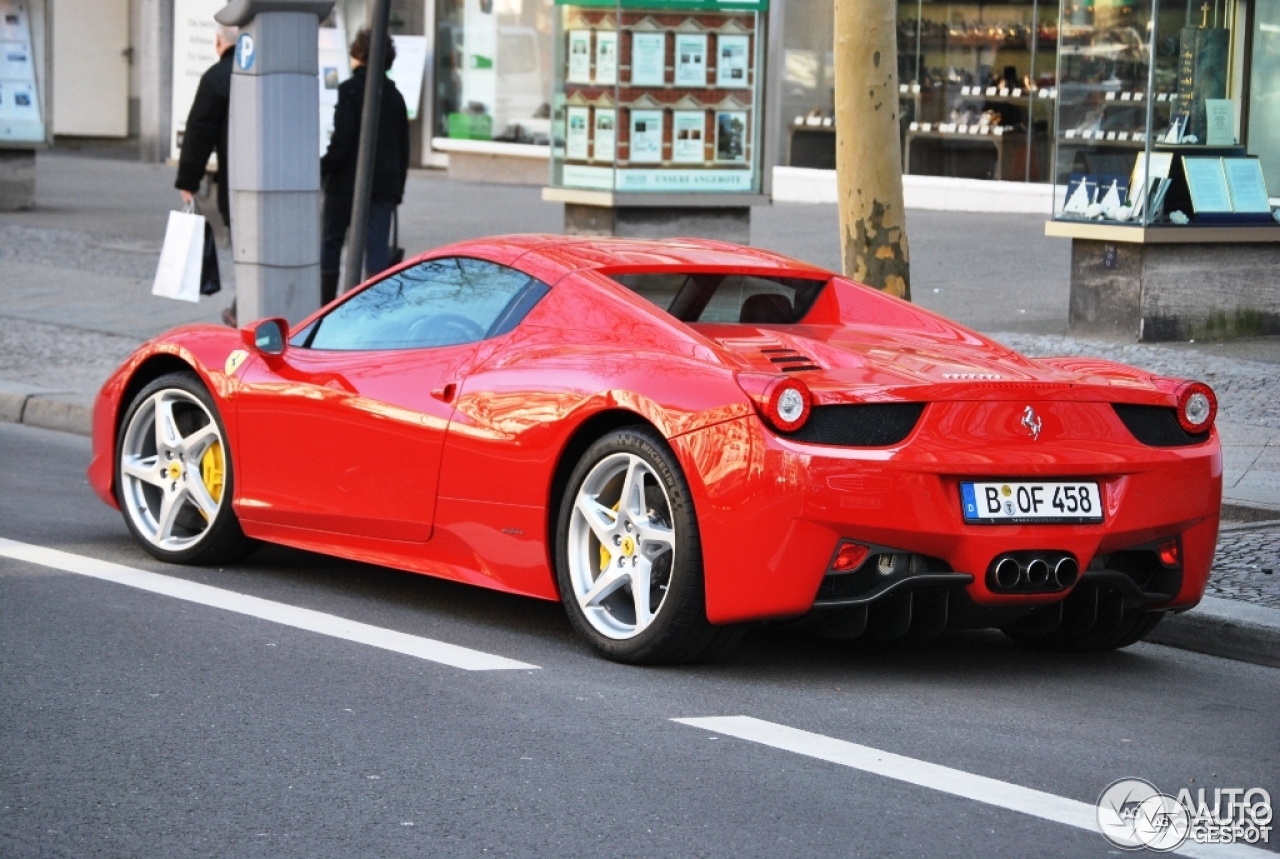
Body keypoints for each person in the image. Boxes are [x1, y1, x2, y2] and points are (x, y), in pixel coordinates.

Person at [320, 28, 410, 305]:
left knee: (332, 240)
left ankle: (326, 304)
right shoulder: (396, 98)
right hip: (384, 186)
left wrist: (324, 167)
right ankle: (374, 307)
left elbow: (344, 137)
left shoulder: (349, 90)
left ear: (359, 56)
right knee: (377, 250)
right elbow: (403, 149)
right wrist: (397, 190)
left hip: (346, 183)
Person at [175, 23, 238, 327]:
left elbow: (199, 131)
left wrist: (189, 180)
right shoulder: (265, 70)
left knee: (243, 244)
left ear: (218, 41)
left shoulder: (217, 77)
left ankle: (245, 308)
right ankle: (244, 306)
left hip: (235, 181)